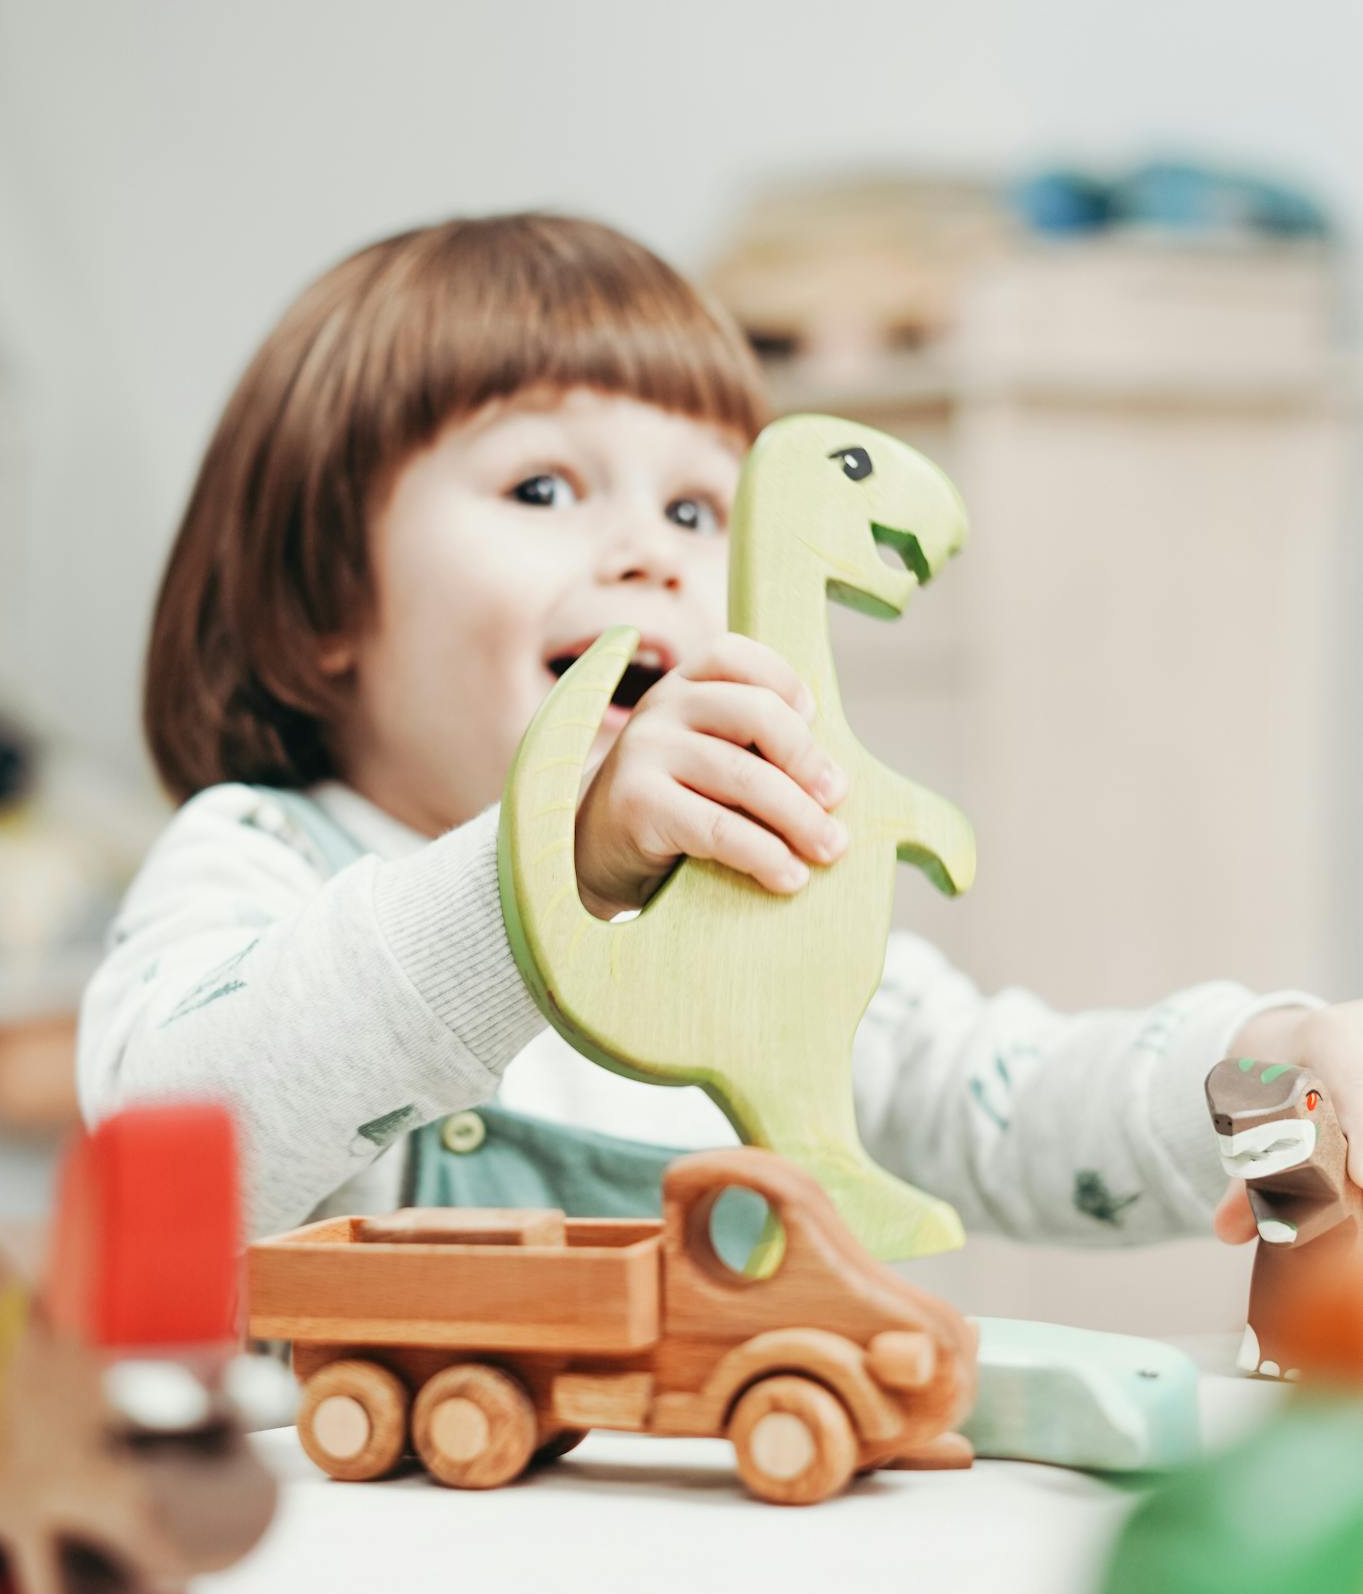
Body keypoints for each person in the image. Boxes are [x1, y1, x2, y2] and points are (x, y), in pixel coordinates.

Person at [77, 211, 1348, 1257]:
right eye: (541, 486)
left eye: (698, 508)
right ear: (319, 599)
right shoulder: (256, 860)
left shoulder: (759, 889)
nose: (650, 554)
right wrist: (551, 865)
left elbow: (1007, 1101)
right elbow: (164, 1174)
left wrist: (1267, 1073)